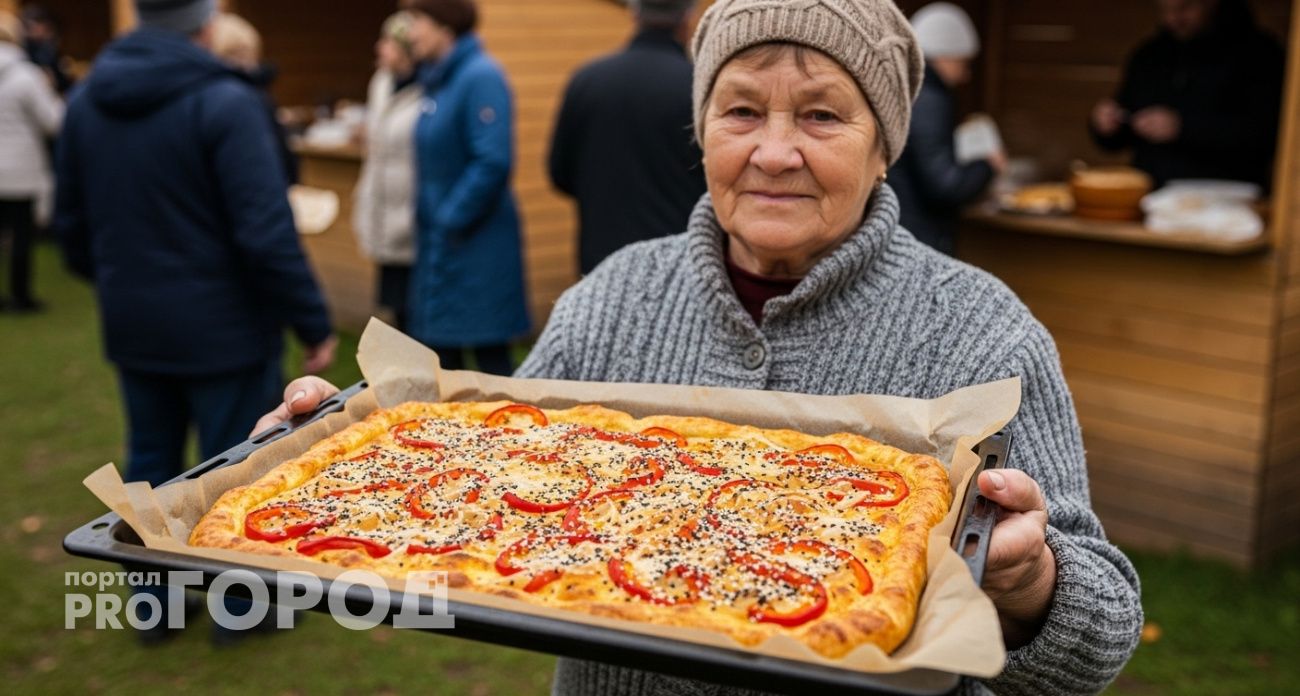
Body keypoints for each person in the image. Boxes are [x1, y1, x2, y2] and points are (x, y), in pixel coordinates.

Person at [259, 0, 1144, 693]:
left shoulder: (982, 333)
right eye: (741, 111)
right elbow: (477, 481)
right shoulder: (613, 296)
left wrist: (1031, 586)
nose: (774, 151)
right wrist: (331, 459)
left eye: (824, 116)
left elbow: (1097, 642)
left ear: (886, 150)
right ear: (702, 130)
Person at [54, 0, 335, 644]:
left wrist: (124, 283)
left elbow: (70, 227)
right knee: (234, 465)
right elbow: (266, 233)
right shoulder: (225, 101)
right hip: (224, 326)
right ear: (206, 24)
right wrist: (313, 321)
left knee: (149, 461)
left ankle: (156, 608)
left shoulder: (86, 101)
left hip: (136, 321)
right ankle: (241, 610)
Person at [404, 0, 529, 375]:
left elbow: (492, 161)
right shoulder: (439, 80)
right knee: (445, 367)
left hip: (476, 245)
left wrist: (448, 219)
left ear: (446, 26)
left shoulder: (480, 77)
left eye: (417, 22)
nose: (410, 33)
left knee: (490, 368)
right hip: (444, 247)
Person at [548, 0, 707, 275]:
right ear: (689, 17)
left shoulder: (587, 80)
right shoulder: (699, 87)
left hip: (600, 263)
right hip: (679, 269)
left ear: (634, 13)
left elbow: (559, 174)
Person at [1089, 0, 1285, 190]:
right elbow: (1124, 128)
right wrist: (1106, 125)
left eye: (1184, 7)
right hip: (1154, 197)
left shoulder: (1258, 53)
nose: (1173, 18)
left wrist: (1183, 128)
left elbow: (1265, 134)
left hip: (1227, 197)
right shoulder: (1149, 55)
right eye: (1165, 9)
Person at [888, 2, 1003, 256]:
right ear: (944, 56)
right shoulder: (929, 99)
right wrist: (987, 166)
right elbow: (944, 185)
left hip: (900, 229)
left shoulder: (905, 88)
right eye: (963, 63)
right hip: (920, 237)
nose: (965, 75)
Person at [353, 10, 423, 332]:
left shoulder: (428, 89)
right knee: (396, 308)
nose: (379, 48)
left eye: (388, 43)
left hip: (412, 218)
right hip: (383, 211)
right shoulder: (380, 82)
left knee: (419, 311)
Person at [0, 10, 62, 313]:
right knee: (21, 234)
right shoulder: (27, 76)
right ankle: (20, 296)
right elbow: (53, 121)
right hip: (20, 169)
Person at [209, 12, 299, 186]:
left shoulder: (252, 99)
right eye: (233, 55)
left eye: (245, 54)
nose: (244, 64)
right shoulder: (254, 97)